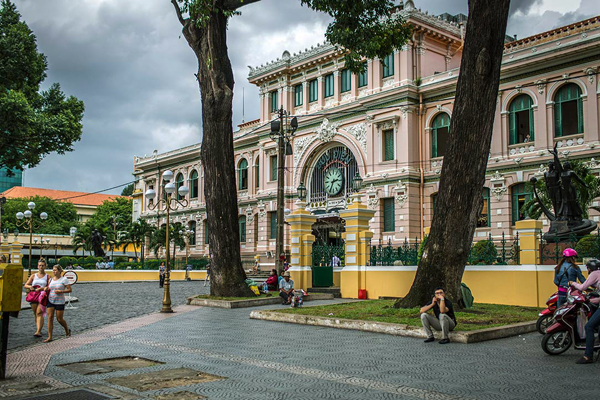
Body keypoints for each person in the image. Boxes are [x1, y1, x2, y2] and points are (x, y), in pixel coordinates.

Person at [568, 259, 600, 364]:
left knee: (589, 326)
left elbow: (583, 287)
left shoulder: (594, 273)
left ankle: (588, 356)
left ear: (589, 268)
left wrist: (572, 283)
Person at [23, 258, 51, 338]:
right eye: (39, 265)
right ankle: (38, 328)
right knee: (36, 313)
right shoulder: (33, 276)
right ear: (37, 266)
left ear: (45, 266)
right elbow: (26, 285)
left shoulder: (47, 277)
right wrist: (30, 287)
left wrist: (42, 289)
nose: (41, 267)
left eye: (42, 265)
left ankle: (38, 331)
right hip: (33, 296)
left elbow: (49, 287)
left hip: (42, 296)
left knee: (39, 312)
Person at [44, 265, 71, 343]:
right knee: (50, 318)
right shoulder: (50, 280)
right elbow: (48, 288)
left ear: (59, 271)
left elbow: (69, 289)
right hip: (50, 300)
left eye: (55, 270)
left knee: (59, 319)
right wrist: (46, 289)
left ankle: (66, 330)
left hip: (60, 301)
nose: (54, 272)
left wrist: (61, 291)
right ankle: (50, 336)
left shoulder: (64, 279)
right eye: (53, 270)